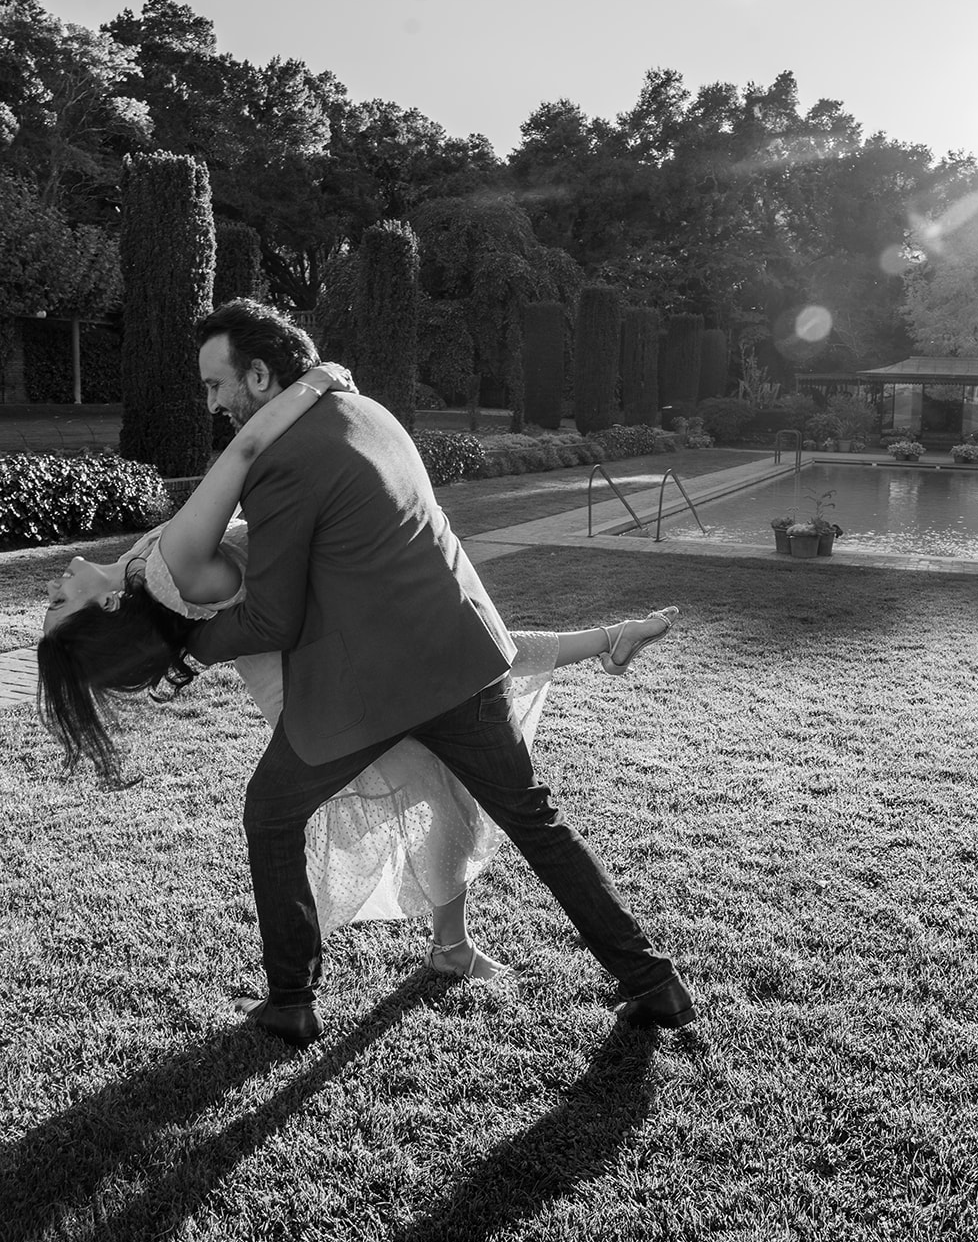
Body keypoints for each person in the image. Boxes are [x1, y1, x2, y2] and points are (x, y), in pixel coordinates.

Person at [36, 352, 681, 1010]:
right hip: (331, 689)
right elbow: (243, 469)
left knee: (407, 788)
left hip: (355, 674)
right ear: (103, 611)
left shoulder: (139, 575)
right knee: (495, 793)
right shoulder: (173, 564)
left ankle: (311, 990)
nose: (54, 587)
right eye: (60, 603)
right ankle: (649, 980)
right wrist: (317, 380)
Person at [182, 297, 695, 1045]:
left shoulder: (281, 460)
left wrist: (188, 653)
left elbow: (272, 618)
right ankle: (656, 984)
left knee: (270, 814)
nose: (213, 402)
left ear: (259, 376)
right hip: (466, 657)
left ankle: (291, 999)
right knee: (537, 823)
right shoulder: (368, 412)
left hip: (374, 687)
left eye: (216, 384)